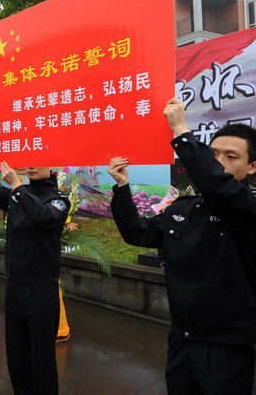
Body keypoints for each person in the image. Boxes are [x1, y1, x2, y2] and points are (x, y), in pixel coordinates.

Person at [108, 98, 256, 395]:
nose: (219, 162)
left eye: (231, 156)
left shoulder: (247, 208)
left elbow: (222, 189)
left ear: (252, 167)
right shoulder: (186, 208)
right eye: (213, 154)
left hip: (226, 346)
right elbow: (138, 233)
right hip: (181, 338)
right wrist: (122, 188)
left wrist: (180, 131)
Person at [0, 149, 70, 394]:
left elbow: (44, 217)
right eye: (29, 160)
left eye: (39, 160)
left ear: (53, 165)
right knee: (16, 353)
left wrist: (17, 187)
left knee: (41, 355)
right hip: (15, 286)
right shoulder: (17, 195)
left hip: (41, 289)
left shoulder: (58, 199)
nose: (31, 166)